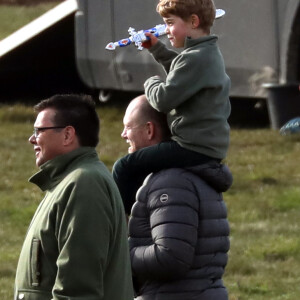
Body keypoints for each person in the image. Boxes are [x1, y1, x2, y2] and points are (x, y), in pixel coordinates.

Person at [113, 0, 231, 213]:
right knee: (139, 166)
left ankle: (122, 223)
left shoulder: (196, 58)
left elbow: (163, 99)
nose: (166, 30)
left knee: (125, 166)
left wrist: (151, 82)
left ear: (193, 21)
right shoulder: (204, 53)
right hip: (205, 146)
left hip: (191, 147)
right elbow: (183, 74)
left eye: (169, 23)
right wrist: (157, 49)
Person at [14, 94, 134, 300]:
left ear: (68, 135)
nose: (31, 139)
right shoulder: (67, 182)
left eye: (38, 131)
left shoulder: (85, 184)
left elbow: (78, 290)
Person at [121, 95, 232, 300]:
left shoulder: (171, 181)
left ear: (149, 130)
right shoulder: (183, 175)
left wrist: (117, 254)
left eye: (128, 127)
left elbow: (170, 258)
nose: (122, 134)